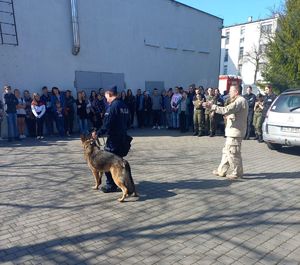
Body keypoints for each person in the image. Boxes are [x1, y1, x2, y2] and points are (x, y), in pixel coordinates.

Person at [204, 85, 248, 180]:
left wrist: (213, 106)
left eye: (231, 91)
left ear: (236, 92)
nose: (229, 93)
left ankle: (237, 173)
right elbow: (231, 113)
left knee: (233, 153)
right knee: (226, 152)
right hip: (232, 131)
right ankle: (222, 171)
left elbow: (226, 109)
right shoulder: (238, 101)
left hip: (236, 132)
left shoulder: (240, 101)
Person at [92, 86, 132, 193]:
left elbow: (107, 124)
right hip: (123, 138)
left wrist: (98, 134)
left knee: (107, 163)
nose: (106, 99)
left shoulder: (113, 107)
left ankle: (111, 185)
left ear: (110, 94)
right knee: (118, 163)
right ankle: (123, 183)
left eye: (106, 97)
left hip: (113, 140)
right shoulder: (124, 105)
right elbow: (129, 122)